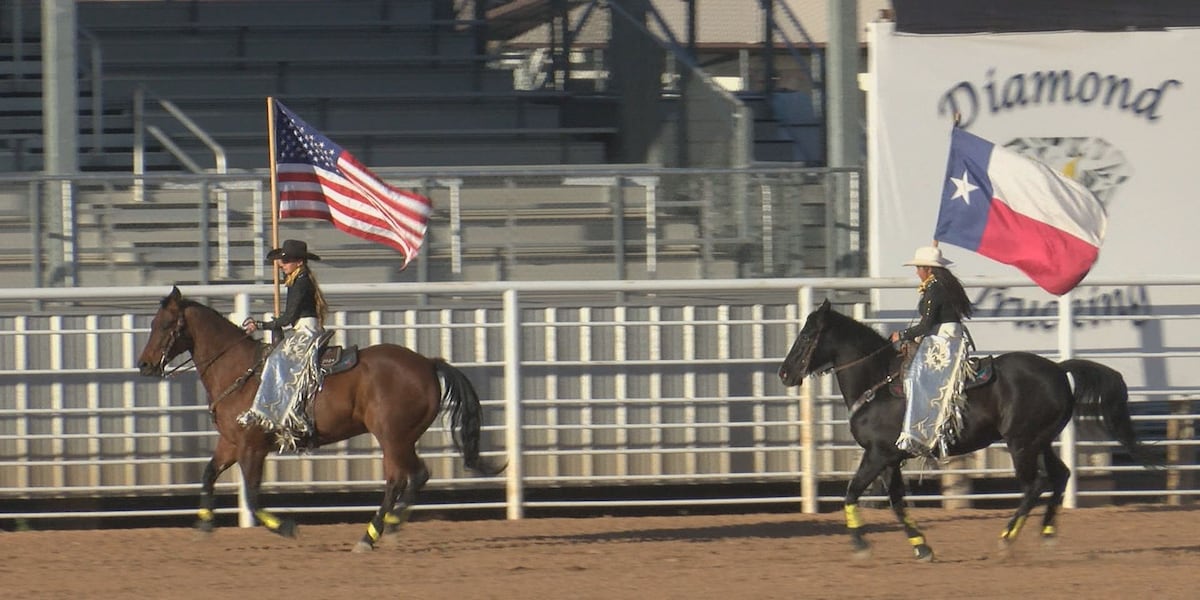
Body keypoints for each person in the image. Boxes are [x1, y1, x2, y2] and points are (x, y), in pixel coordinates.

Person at [237, 239, 329, 450]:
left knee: (276, 360)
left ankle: (276, 411)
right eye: (282, 260)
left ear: (299, 262)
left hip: (305, 332)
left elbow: (288, 318)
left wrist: (261, 324)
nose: (281, 264)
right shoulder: (298, 279)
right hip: (303, 328)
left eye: (286, 261)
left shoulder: (301, 283)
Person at [889, 245, 974, 458]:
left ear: (928, 269)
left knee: (915, 377)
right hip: (943, 335)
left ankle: (923, 431)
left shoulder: (934, 289)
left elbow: (926, 325)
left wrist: (902, 334)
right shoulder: (940, 286)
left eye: (919, 267)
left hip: (943, 340)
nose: (917, 272)